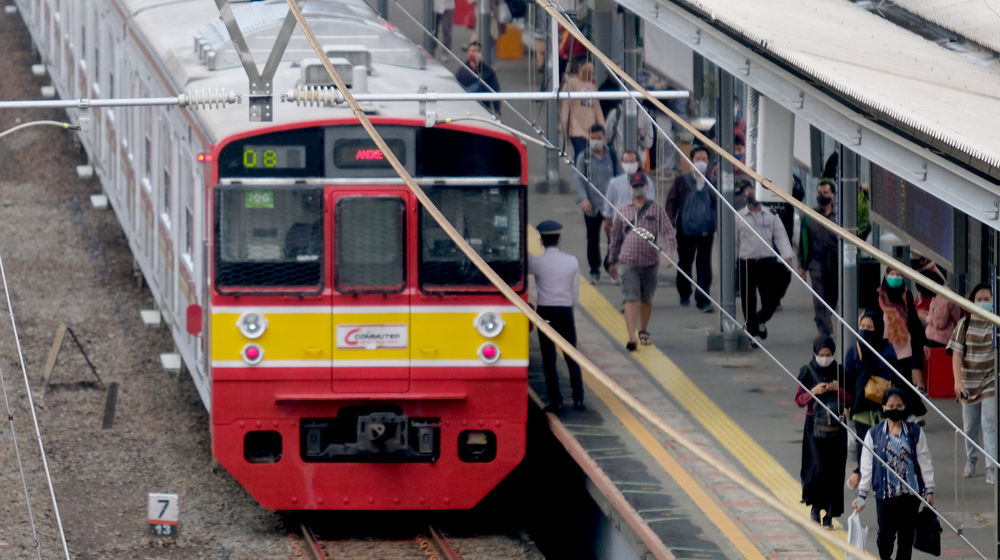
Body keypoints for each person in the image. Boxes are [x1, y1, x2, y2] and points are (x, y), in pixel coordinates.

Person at [853, 388, 935, 560]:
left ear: (905, 406)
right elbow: (867, 467)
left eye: (899, 405)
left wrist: (929, 489)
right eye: (891, 405)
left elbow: (924, 461)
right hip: (885, 495)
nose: (895, 409)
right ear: (883, 407)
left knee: (905, 540)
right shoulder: (873, 434)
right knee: (885, 538)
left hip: (910, 495)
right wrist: (862, 495)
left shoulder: (915, 432)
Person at [606, 172, 677, 351]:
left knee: (646, 298)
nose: (638, 190)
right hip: (628, 261)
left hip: (650, 262)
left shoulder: (656, 209)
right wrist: (611, 261)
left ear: (646, 187)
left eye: (641, 186)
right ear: (630, 188)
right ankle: (631, 336)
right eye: (635, 187)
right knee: (631, 299)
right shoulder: (623, 209)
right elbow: (615, 238)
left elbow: (668, 231)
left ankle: (643, 330)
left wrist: (669, 251)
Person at [528, 220, 585, 413]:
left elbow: (524, 265)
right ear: (560, 239)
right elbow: (575, 291)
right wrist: (570, 307)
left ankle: (556, 401)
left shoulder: (536, 262)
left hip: (545, 311)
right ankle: (578, 399)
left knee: (549, 357)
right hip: (565, 310)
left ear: (542, 241)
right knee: (571, 355)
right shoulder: (572, 261)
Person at [796, 335, 850, 529]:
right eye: (821, 355)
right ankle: (815, 508)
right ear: (815, 353)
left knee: (834, 470)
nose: (825, 358)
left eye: (828, 355)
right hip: (814, 428)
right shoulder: (807, 371)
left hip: (836, 428)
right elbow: (799, 399)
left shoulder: (840, 371)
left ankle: (829, 513)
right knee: (816, 469)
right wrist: (814, 392)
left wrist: (838, 390)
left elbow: (851, 398)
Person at [949, 282, 997, 484]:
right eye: (980, 299)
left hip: (990, 382)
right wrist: (957, 382)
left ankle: (991, 467)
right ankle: (971, 459)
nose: (984, 302)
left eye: (987, 299)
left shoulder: (995, 324)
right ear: (973, 301)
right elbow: (957, 354)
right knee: (970, 426)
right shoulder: (964, 324)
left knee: (989, 424)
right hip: (968, 382)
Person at [734, 182, 793, 340]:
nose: (752, 196)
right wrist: (733, 262)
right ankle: (752, 332)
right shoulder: (739, 217)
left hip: (767, 261)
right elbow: (734, 241)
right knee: (748, 299)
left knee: (770, 298)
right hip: (746, 262)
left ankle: (761, 319)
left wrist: (787, 256)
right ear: (745, 197)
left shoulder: (771, 215)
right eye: (749, 193)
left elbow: (780, 236)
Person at [845, 310, 896, 489]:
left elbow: (893, 375)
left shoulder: (888, 350)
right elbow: (848, 379)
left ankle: (881, 476)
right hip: (860, 405)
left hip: (883, 405)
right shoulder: (854, 350)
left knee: (883, 443)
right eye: (862, 326)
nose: (865, 330)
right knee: (862, 443)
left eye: (869, 327)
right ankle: (865, 476)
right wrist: (847, 405)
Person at [665, 145, 716, 312]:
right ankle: (684, 292)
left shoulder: (713, 183)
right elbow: (671, 202)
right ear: (691, 161)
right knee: (685, 262)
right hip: (684, 231)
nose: (701, 162)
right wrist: (669, 223)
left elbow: (718, 205)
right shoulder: (681, 181)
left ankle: (703, 298)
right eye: (698, 159)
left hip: (706, 231)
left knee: (704, 264)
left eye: (704, 159)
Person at [877, 267, 928, 421]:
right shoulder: (879, 295)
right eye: (892, 274)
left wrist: (922, 343)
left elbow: (913, 320)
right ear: (886, 276)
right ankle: (886, 410)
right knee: (885, 380)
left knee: (904, 381)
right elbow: (872, 317)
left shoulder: (906, 295)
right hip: (884, 346)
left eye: (899, 275)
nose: (896, 277)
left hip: (903, 346)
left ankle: (910, 412)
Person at [574, 124, 616, 285]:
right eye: (593, 138)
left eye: (599, 138)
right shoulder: (584, 156)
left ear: (604, 138)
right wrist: (583, 198)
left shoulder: (611, 155)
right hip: (591, 206)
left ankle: (610, 265)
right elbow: (578, 179)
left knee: (614, 238)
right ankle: (594, 270)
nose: (596, 141)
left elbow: (618, 178)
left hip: (609, 206)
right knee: (592, 238)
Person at [798, 178, 839, 335]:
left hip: (835, 264)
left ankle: (823, 318)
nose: (822, 196)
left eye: (826, 193)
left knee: (832, 298)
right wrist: (802, 265)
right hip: (816, 263)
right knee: (820, 298)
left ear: (833, 195)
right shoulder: (809, 216)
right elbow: (803, 242)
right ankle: (825, 332)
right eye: (820, 193)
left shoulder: (840, 216)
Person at [560, 62, 605, 160]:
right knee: (581, 153)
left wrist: (602, 126)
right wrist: (563, 122)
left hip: (590, 127)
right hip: (576, 126)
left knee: (590, 155)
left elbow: (597, 108)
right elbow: (565, 104)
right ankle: (579, 173)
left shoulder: (592, 87)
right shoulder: (571, 83)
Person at [603, 150, 655, 228]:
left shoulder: (647, 182)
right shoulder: (614, 183)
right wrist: (607, 224)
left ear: (639, 163)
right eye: (626, 162)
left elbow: (650, 204)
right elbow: (608, 206)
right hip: (618, 226)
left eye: (632, 162)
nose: (629, 165)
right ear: (622, 164)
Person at [455, 41, 501, 117]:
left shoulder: (489, 72)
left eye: (478, 51)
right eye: (473, 51)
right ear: (468, 53)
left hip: (484, 108)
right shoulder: (461, 71)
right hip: (466, 108)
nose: (476, 54)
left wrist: (497, 110)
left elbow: (495, 90)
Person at [604, 102, 654, 167]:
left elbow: (648, 144)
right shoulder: (615, 114)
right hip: (619, 163)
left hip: (638, 164)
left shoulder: (645, 116)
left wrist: (642, 136)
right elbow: (607, 138)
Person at [923, 270, 960, 348]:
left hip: (941, 338)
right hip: (936, 334)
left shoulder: (943, 297)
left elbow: (939, 323)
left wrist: (926, 317)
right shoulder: (938, 294)